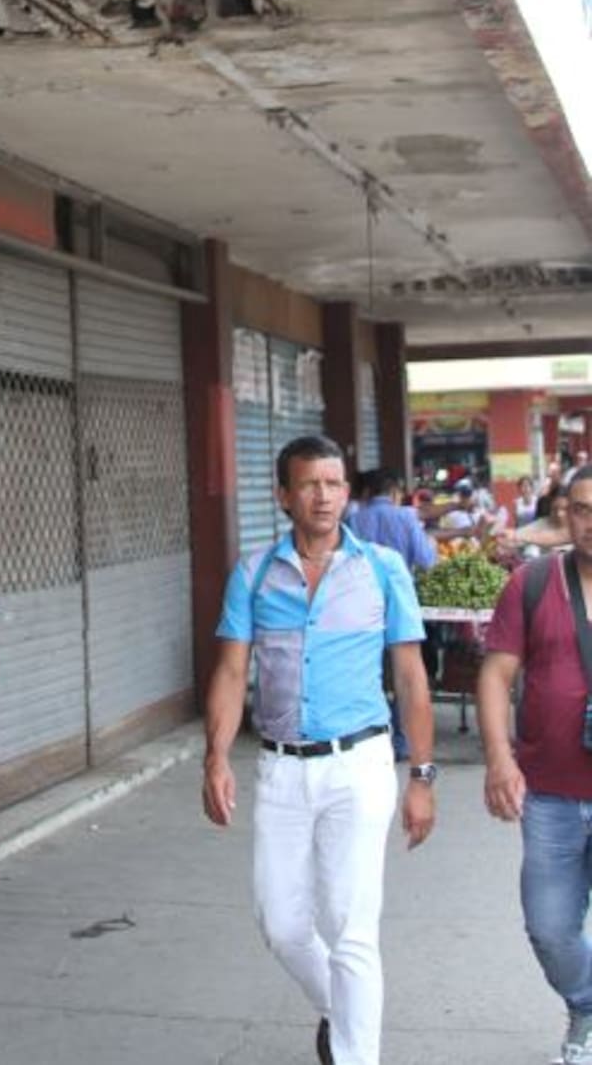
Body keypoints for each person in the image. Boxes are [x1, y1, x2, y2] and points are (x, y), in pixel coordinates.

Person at [202, 435, 436, 1065]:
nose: (324, 496)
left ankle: (357, 1053)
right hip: (281, 768)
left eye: (333, 484)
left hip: (360, 764)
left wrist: (422, 776)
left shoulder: (382, 568)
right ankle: (342, 1010)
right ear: (284, 495)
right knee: (279, 923)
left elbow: (411, 676)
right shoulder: (254, 574)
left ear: (347, 493)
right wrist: (215, 757)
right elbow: (231, 671)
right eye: (309, 484)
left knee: (352, 928)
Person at [478, 466, 592, 1065]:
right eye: (582, 509)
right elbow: (496, 676)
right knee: (549, 927)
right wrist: (500, 760)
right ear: (564, 514)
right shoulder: (534, 582)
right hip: (550, 793)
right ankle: (587, 1006)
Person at [347, 470, 437, 761]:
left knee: (367, 673)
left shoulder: (354, 519)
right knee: (405, 676)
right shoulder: (406, 518)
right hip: (400, 607)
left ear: (367, 493)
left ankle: (368, 739)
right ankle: (402, 742)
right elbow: (426, 560)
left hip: (360, 607)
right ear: (395, 492)